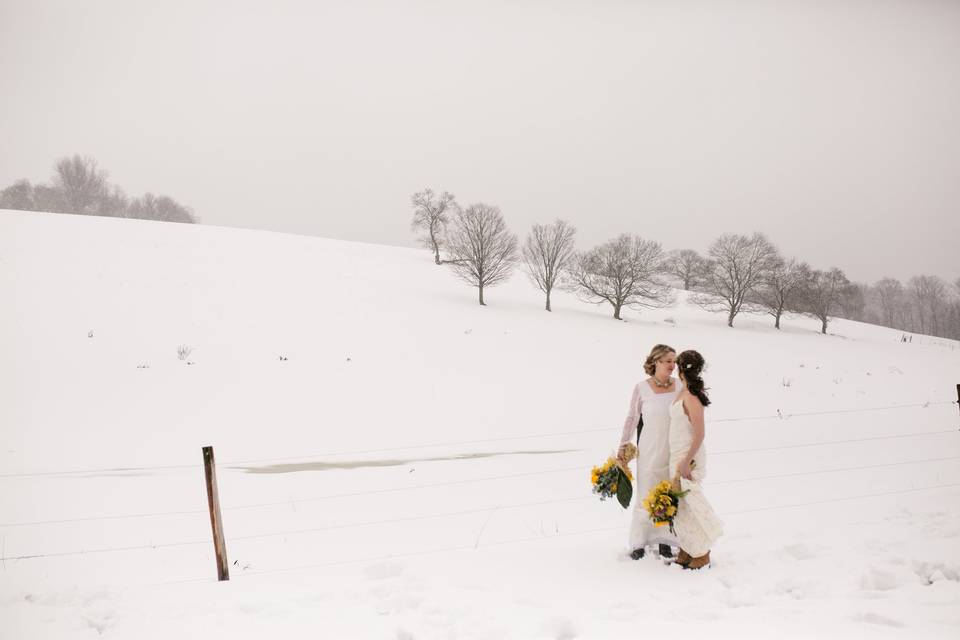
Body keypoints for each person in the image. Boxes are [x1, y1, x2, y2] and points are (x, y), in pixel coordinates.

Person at [618, 344, 683, 559]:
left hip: (673, 448)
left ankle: (666, 540)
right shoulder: (642, 388)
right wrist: (623, 445)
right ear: (655, 362)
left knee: (669, 493)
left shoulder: (680, 386)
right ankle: (639, 542)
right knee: (646, 493)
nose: (672, 365)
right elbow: (632, 418)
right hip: (649, 448)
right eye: (667, 361)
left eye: (674, 361)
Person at [668, 350, 723, 569]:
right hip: (677, 451)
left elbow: (699, 434)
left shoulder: (692, 397)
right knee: (680, 504)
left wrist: (685, 461)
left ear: (683, 368)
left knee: (691, 503)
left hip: (688, 456)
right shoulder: (682, 392)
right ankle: (686, 547)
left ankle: (701, 552)